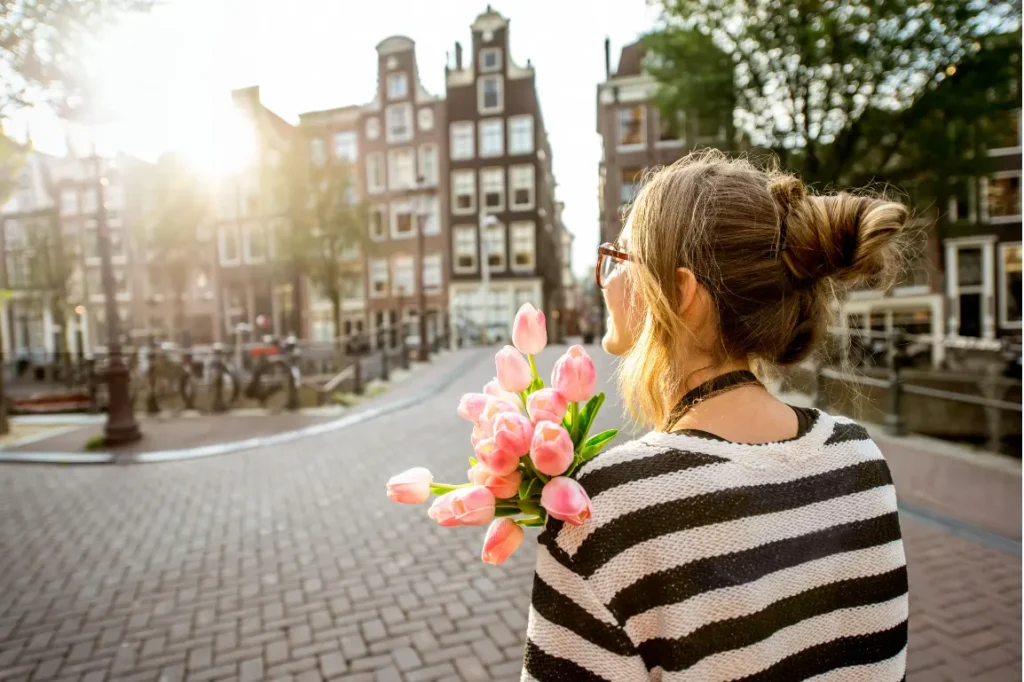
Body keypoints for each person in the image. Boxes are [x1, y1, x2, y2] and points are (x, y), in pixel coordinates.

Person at [523, 151, 908, 681]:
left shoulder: (606, 510)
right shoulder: (861, 460)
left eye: (619, 259)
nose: (606, 281)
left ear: (682, 294)